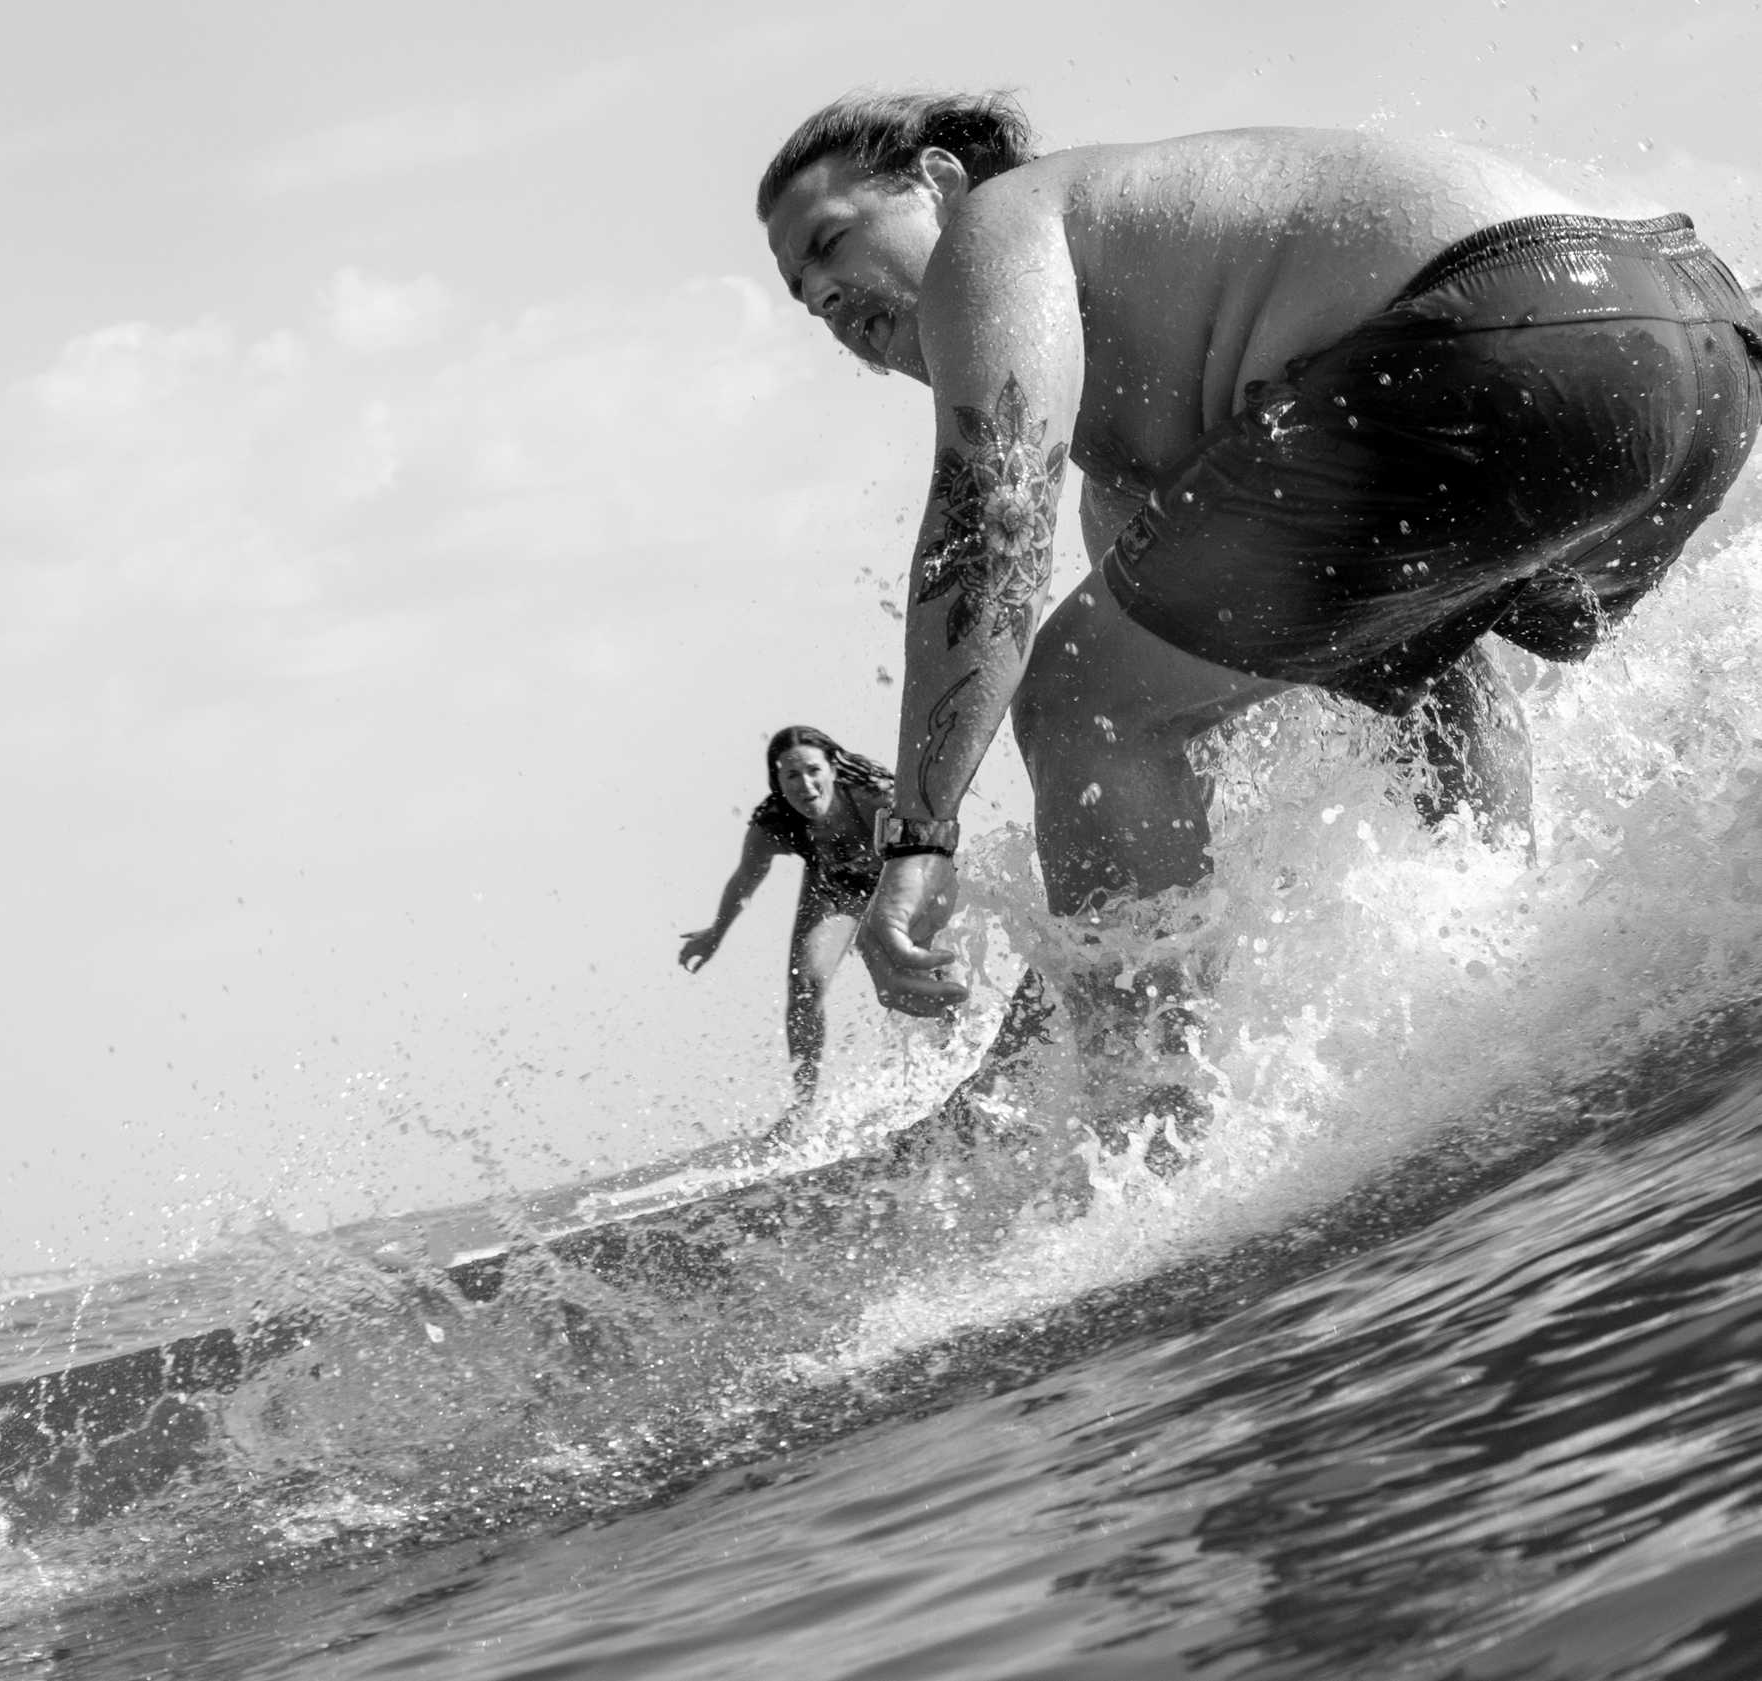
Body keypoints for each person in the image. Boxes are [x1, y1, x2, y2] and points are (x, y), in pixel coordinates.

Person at [754, 92, 1762, 1020]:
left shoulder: (996, 225)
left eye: (832, 241)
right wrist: (1020, 1055)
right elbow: (1143, 857)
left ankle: (1142, 1128)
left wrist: (920, 834)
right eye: (806, 300)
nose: (827, 298)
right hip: (1696, 347)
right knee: (1385, 681)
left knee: (1073, 700)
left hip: (1506, 325)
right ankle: (1516, 997)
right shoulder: (1166, 466)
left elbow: (989, 522)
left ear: (939, 182)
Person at [680, 726, 964, 1125]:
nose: (806, 784)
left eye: (813, 770)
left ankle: (961, 1051)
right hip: (836, 890)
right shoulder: (774, 823)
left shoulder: (875, 796)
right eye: (791, 776)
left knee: (926, 963)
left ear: (833, 768)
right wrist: (715, 933)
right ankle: (800, 1109)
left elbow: (932, 835)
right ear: (778, 783)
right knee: (805, 984)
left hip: (899, 885)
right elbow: (745, 878)